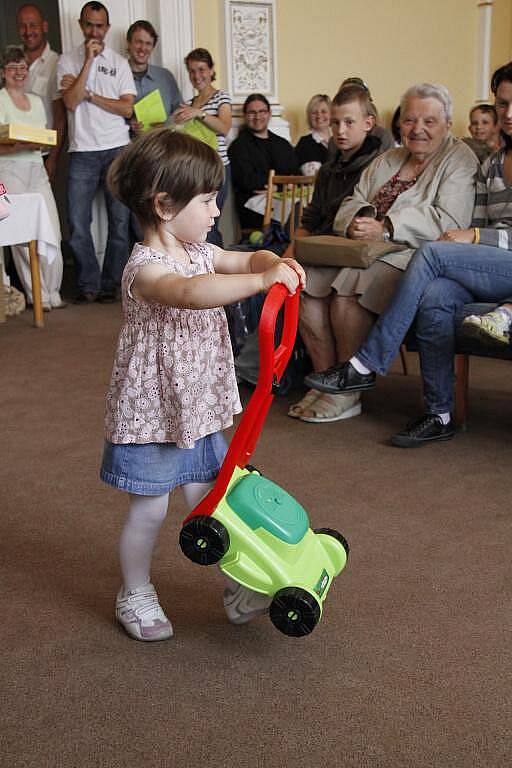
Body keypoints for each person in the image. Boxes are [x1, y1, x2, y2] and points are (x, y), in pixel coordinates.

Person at [99, 129, 305, 641]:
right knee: (150, 509)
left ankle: (238, 585)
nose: (216, 211)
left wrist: (270, 262)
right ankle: (135, 590)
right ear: (165, 205)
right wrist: (260, 284)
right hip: (154, 412)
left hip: (201, 408)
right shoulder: (145, 269)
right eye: (209, 200)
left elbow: (240, 258)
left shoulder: (199, 249)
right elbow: (190, 294)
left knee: (211, 499)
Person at [303, 63, 512, 448]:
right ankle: (440, 413)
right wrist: (363, 219)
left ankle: (361, 368)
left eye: (429, 121)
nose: (418, 128)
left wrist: (473, 234)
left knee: (428, 257)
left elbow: (461, 225)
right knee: (432, 296)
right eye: (503, 104)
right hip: (474, 258)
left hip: (428, 252)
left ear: (447, 123)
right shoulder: (494, 163)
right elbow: (473, 222)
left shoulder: (461, 160)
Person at [284, 85, 386, 420]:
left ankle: (347, 385)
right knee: (298, 286)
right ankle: (325, 378)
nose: (340, 131)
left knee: (339, 292)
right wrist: (292, 249)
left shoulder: (380, 164)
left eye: (349, 123)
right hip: (326, 250)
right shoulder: (329, 167)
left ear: (368, 123)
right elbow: (311, 217)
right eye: (336, 123)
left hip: (358, 254)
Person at [57, 1, 136, 303]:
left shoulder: (119, 62)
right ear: (80, 25)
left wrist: (89, 92)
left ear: (107, 27)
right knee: (78, 223)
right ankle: (88, 282)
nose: (94, 30)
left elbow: (126, 106)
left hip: (117, 148)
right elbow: (70, 103)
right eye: (89, 24)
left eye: (100, 25)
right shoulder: (68, 60)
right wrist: (87, 63)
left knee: (119, 221)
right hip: (82, 151)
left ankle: (111, 284)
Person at [0, 45, 65, 310]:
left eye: (23, 67)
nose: (19, 72)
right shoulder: (1, 99)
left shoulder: (37, 101)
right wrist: (17, 146)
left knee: (51, 229)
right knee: (21, 235)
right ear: (3, 72)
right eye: (13, 67)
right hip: (9, 169)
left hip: (36, 168)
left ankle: (53, 291)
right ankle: (37, 295)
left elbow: (44, 137)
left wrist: (40, 145)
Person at [172, 48, 231, 247]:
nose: (197, 76)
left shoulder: (221, 97)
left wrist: (199, 113)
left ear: (211, 70)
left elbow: (224, 127)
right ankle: (201, 271)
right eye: (192, 71)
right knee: (196, 224)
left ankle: (218, 272)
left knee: (210, 222)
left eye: (201, 69)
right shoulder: (188, 103)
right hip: (195, 170)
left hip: (218, 167)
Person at [228, 93, 300, 230]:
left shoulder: (282, 144)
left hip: (285, 198)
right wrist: (281, 185)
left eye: (262, 111)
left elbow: (295, 174)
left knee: (303, 208)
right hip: (252, 208)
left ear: (269, 114)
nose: (257, 117)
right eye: (252, 112)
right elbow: (247, 181)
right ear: (245, 115)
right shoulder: (238, 146)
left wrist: (276, 187)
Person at [17, 3, 67, 182]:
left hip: (43, 153)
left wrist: (53, 158)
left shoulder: (57, 63)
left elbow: (60, 117)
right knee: (15, 205)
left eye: (33, 25)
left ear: (44, 27)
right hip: (15, 152)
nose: (28, 31)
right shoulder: (12, 62)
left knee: (43, 206)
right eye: (23, 25)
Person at [126, 19, 182, 137]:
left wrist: (166, 125)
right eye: (138, 42)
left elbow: (180, 111)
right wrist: (129, 124)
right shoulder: (116, 76)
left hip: (163, 147)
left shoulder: (166, 77)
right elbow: (107, 117)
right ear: (129, 43)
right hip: (129, 150)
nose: (143, 48)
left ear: (153, 47)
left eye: (148, 43)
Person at [295, 94, 331, 176]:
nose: (319, 116)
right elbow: (314, 177)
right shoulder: (305, 144)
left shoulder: (339, 141)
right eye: (314, 112)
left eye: (323, 111)